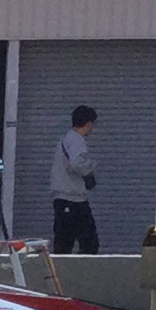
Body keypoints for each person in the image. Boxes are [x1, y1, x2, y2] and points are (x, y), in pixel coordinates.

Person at [50, 104, 101, 254]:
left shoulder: (66, 138)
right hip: (73, 199)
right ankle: (84, 272)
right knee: (89, 242)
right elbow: (77, 163)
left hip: (63, 199)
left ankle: (60, 271)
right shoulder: (77, 140)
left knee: (63, 241)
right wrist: (91, 166)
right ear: (89, 123)